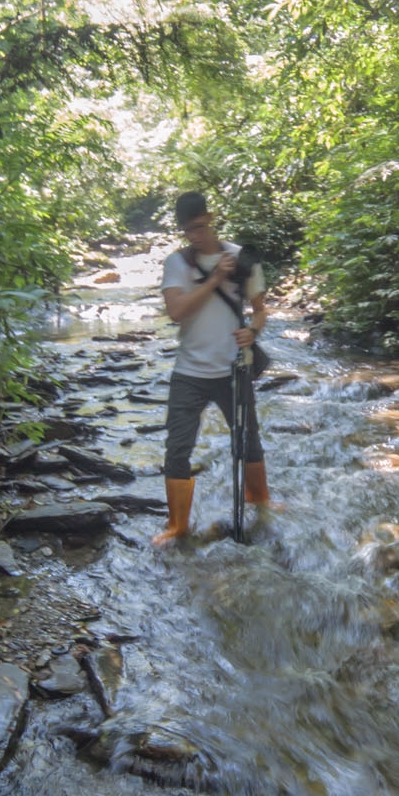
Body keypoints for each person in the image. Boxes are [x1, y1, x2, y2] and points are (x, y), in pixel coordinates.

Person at [153, 191, 270, 547]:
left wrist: (253, 330)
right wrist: (215, 280)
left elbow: (261, 309)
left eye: (200, 227)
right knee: (177, 448)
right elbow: (177, 312)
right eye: (188, 230)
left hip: (233, 369)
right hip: (189, 371)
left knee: (248, 439)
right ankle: (177, 525)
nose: (196, 235)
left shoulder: (241, 258)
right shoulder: (177, 264)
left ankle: (260, 501)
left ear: (212, 217)